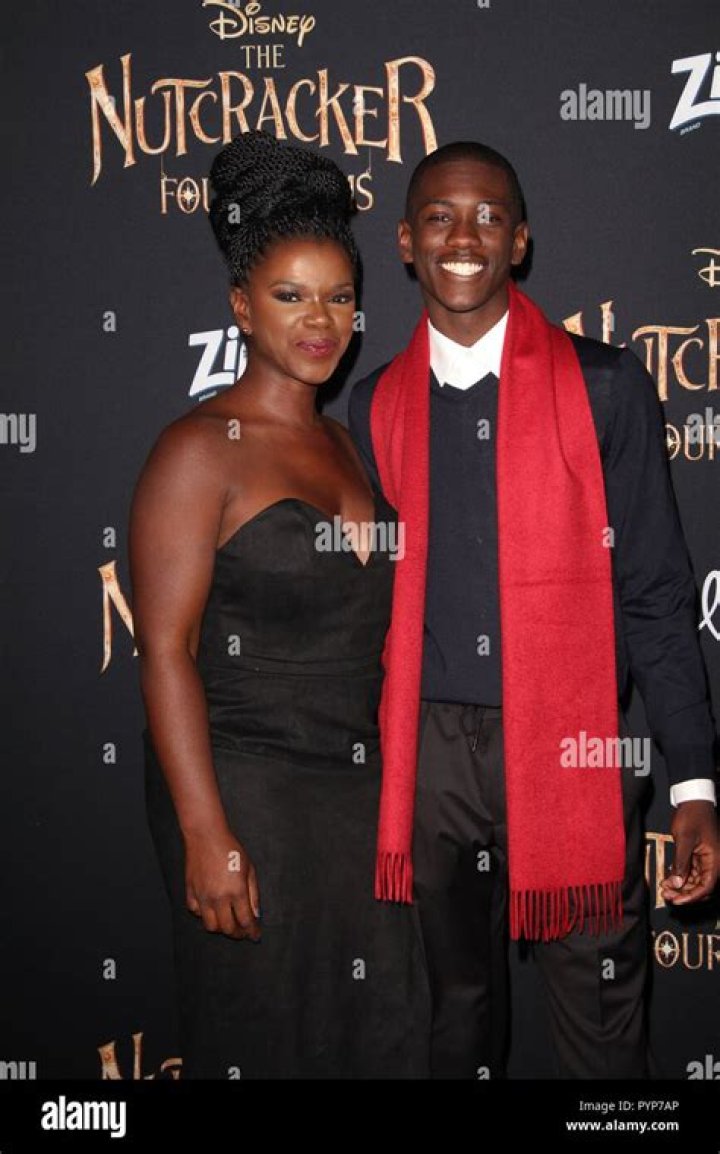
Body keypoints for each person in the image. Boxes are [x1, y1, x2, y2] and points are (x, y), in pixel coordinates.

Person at [349, 141, 719, 1079]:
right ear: (405, 241)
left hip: (574, 746)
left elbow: (656, 594)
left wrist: (693, 784)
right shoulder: (374, 406)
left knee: (604, 1033)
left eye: (489, 217)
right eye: (439, 217)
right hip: (431, 756)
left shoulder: (606, 387)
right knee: (454, 1026)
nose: (463, 237)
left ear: (519, 241)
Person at [129, 129, 430, 1079]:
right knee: (263, 1040)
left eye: (339, 296)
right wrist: (205, 832)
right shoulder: (196, 450)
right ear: (240, 305)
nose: (320, 320)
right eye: (290, 296)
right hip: (246, 788)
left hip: (358, 794)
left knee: (383, 1033)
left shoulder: (351, 445)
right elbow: (165, 649)